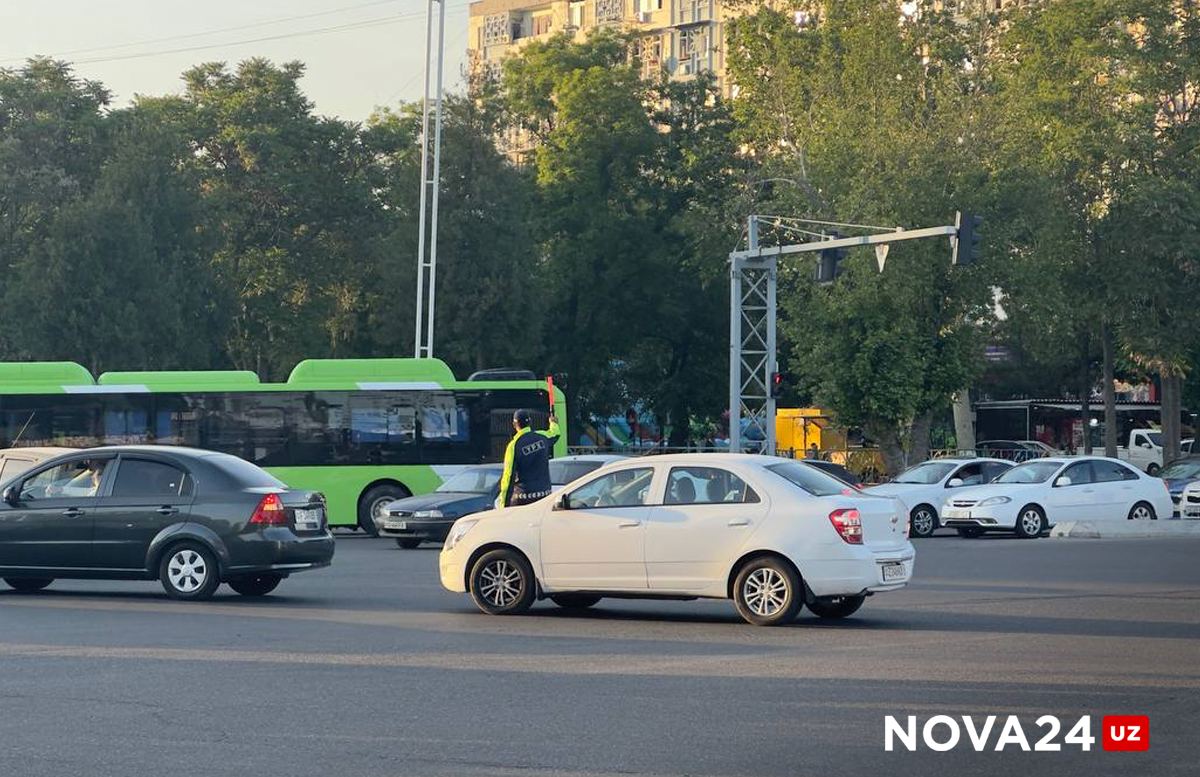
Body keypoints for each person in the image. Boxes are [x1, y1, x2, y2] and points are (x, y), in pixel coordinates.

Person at [496, 409, 561, 508]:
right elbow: (555, 434)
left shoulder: (513, 446)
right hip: (544, 496)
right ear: (530, 422)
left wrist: (503, 504)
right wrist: (553, 423)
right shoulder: (542, 437)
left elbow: (508, 476)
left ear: (514, 424)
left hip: (522, 499)